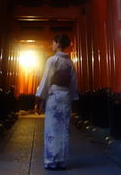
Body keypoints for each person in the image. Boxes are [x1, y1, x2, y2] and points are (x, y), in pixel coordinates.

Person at [35, 34, 79, 171]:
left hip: (54, 96)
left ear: (58, 44)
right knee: (64, 128)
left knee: (52, 128)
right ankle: (62, 161)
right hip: (65, 96)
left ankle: (51, 160)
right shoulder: (69, 62)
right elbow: (73, 83)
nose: (52, 45)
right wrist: (73, 97)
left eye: (53, 43)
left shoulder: (52, 60)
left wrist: (39, 98)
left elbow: (46, 80)